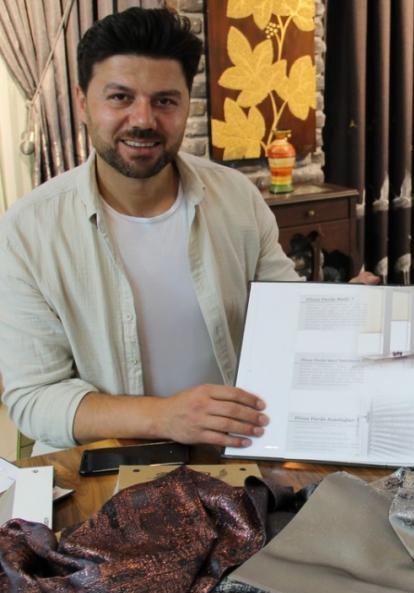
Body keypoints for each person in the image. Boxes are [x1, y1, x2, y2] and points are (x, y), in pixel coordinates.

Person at [0, 7, 376, 455]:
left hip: (233, 456)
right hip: (104, 468)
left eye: (165, 101)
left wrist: (341, 315)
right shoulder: (28, 232)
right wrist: (164, 416)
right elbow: (34, 398)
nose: (143, 120)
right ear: (82, 103)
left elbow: (284, 313)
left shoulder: (236, 197)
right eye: (120, 97)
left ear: (185, 104)